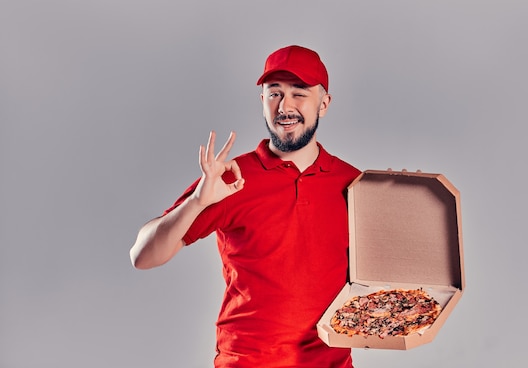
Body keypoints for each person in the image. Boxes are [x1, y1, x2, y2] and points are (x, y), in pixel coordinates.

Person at [130, 45, 361, 367]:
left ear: (324, 104)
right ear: (262, 101)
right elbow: (143, 257)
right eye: (274, 93)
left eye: (300, 93)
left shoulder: (355, 184)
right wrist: (197, 202)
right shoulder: (230, 178)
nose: (285, 106)